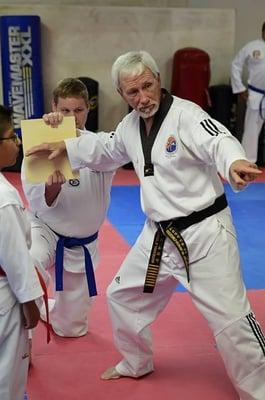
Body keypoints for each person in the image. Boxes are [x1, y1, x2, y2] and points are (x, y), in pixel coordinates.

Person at [26, 51, 265, 399]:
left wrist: (234, 162)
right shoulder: (129, 126)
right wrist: (63, 141)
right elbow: (106, 149)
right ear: (122, 95)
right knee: (122, 297)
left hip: (204, 235)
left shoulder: (187, 115)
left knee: (231, 321)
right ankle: (135, 362)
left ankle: (257, 391)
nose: (143, 98)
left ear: (158, 79)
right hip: (159, 238)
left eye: (147, 86)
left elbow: (218, 138)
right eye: (132, 92)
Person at [21, 78, 114, 337]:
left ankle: (52, 309)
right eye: (64, 111)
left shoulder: (100, 147)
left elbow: (120, 152)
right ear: (54, 107)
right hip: (45, 231)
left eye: (78, 110)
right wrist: (53, 189)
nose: (72, 118)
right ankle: (21, 339)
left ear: (89, 108)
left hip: (81, 244)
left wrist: (70, 141)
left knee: (71, 329)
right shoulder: (38, 142)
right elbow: (36, 201)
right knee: (28, 264)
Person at [0, 105, 43, 400]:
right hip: (5, 295)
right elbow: (16, 260)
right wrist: (31, 303)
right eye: (11, 136)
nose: (17, 142)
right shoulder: (4, 199)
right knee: (9, 368)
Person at [231, 22, 265, 163]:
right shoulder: (252, 47)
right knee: (251, 130)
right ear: (263, 31)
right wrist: (240, 88)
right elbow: (236, 64)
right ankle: (247, 162)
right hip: (256, 95)